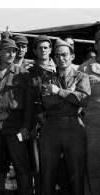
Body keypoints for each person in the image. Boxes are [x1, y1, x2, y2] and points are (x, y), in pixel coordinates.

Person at [0, 39, 34, 195]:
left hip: (15, 128)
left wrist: (26, 127)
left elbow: (29, 103)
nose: (12, 54)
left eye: (14, 51)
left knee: (22, 167)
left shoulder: (23, 74)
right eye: (8, 51)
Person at [41, 39, 90, 195]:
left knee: (76, 173)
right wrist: (71, 93)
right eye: (57, 55)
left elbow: (83, 100)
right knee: (48, 173)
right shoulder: (48, 79)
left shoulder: (81, 77)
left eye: (64, 55)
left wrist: (58, 91)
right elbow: (47, 102)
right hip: (51, 128)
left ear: (72, 56)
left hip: (74, 128)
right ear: (53, 58)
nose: (61, 58)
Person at [26, 35, 56, 195]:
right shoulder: (29, 72)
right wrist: (32, 122)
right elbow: (27, 100)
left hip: (56, 120)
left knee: (56, 165)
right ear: (34, 51)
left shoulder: (59, 69)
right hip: (37, 122)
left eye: (46, 47)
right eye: (40, 47)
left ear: (50, 50)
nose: (43, 50)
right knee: (37, 165)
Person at [78, 31, 100, 195]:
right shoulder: (84, 68)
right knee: (92, 166)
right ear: (97, 45)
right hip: (93, 124)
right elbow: (78, 97)